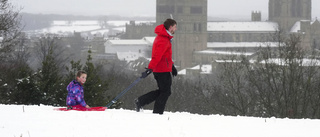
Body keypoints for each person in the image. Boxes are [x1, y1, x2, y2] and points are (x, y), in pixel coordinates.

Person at [135, 18, 178, 114]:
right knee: (165, 92)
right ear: (170, 27)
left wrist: (172, 67)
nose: (176, 29)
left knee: (164, 91)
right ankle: (157, 112)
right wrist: (150, 68)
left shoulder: (165, 38)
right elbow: (157, 56)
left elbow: (166, 56)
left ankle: (141, 101)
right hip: (162, 70)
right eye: (175, 27)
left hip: (163, 69)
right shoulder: (163, 40)